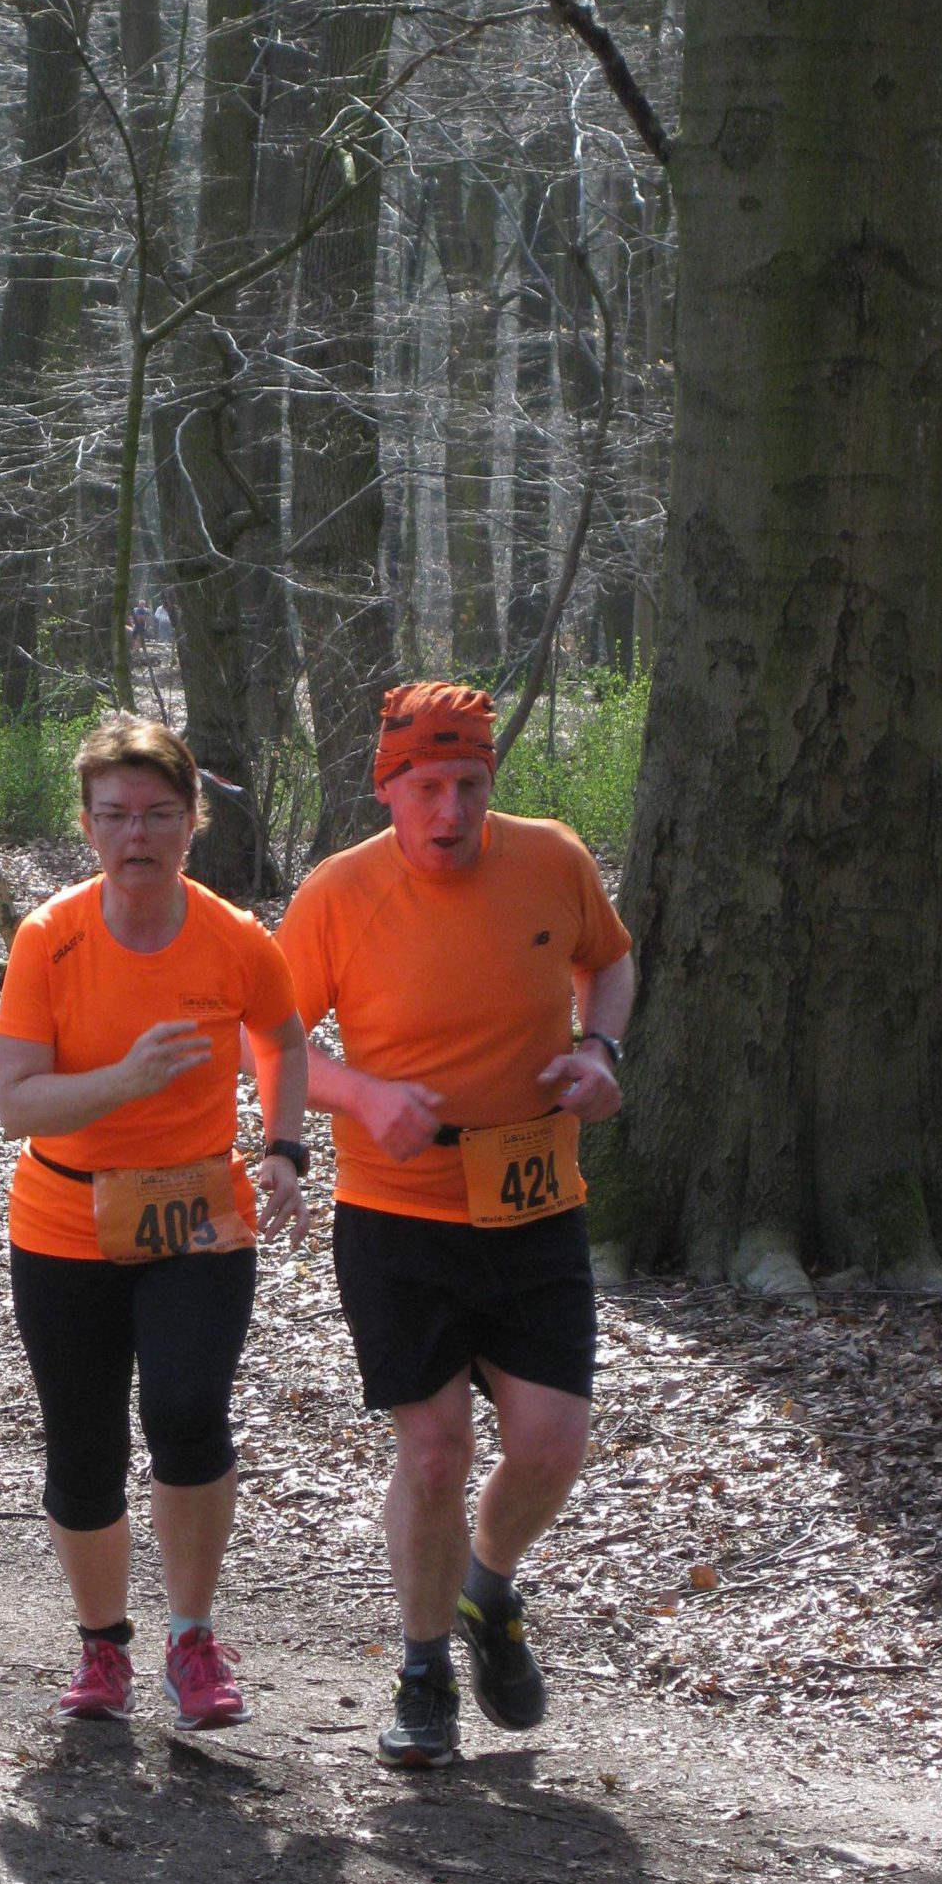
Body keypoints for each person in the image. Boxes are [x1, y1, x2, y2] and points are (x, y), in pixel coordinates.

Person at [275, 681, 634, 1769]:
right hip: (399, 1215)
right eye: (426, 787)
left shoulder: (553, 857)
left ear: (491, 783)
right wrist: (360, 1094)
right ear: (387, 789)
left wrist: (600, 1050)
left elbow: (608, 959)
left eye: (469, 785)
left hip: (534, 1201)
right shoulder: (338, 893)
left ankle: (488, 1584)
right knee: (433, 1454)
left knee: (552, 1445)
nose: (450, 811)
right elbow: (274, 1041)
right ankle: (424, 1671)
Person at [0, 713, 310, 1730]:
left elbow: (284, 1039)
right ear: (88, 826)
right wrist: (123, 1082)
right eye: (117, 815)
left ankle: (192, 1639)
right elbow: (16, 1102)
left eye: (159, 814)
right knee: (83, 1442)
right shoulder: (49, 939)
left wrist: (285, 1147)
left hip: (195, 1213)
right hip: (65, 1217)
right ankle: (103, 1649)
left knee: (185, 1410)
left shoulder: (235, 938)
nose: (139, 835)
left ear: (191, 821)